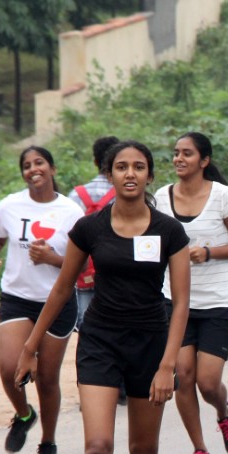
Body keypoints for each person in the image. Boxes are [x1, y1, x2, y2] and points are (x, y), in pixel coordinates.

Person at [14, 140, 191, 454]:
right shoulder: (89, 228)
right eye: (120, 167)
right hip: (99, 342)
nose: (129, 173)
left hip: (150, 347)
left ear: (150, 176)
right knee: (97, 447)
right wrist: (30, 347)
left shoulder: (170, 232)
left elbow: (183, 302)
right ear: (109, 175)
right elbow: (61, 289)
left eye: (138, 167)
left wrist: (168, 364)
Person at [154, 132, 228, 454]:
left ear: (204, 161)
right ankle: (199, 449)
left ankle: (224, 413)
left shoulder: (222, 196)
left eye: (187, 154)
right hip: (174, 301)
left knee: (208, 382)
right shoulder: (161, 198)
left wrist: (208, 253)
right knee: (183, 375)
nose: (179, 159)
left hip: (219, 303)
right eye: (176, 153)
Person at [0, 146, 83, 454]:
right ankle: (24, 415)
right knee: (10, 369)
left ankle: (48, 442)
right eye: (27, 165)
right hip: (17, 297)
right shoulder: (9, 205)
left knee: (48, 378)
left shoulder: (71, 211)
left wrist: (52, 259)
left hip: (58, 301)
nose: (33, 169)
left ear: (52, 168)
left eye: (39, 162)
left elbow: (83, 264)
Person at [70, 136, 124, 404]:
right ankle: (121, 384)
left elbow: (70, 236)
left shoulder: (76, 195)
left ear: (94, 161)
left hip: (84, 274)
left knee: (87, 328)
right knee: (119, 322)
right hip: (116, 272)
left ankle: (91, 384)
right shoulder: (126, 193)